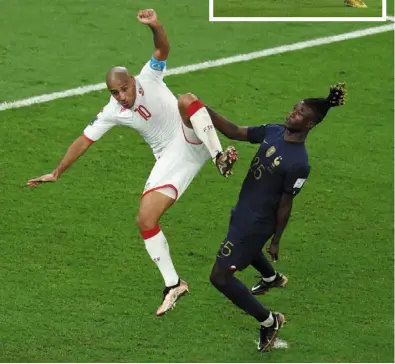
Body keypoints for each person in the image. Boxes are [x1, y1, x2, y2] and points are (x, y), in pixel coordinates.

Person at [26, 9, 238, 317]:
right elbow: (84, 139)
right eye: (115, 92)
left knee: (186, 99)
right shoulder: (113, 110)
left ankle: (220, 156)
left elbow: (162, 49)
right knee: (144, 219)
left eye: (124, 88)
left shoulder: (149, 76)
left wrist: (156, 25)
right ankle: (173, 284)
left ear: (132, 81)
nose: (122, 96)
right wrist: (57, 172)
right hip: (170, 158)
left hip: (191, 136)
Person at [206, 83, 346, 351]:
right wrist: (202, 109)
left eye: (300, 112)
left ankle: (269, 321)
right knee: (241, 255)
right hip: (243, 211)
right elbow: (235, 132)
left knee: (219, 277)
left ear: (310, 125)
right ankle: (272, 279)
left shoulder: (299, 163)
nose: (293, 113)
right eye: (295, 108)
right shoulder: (273, 131)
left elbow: (285, 205)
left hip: (257, 224)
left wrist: (276, 240)